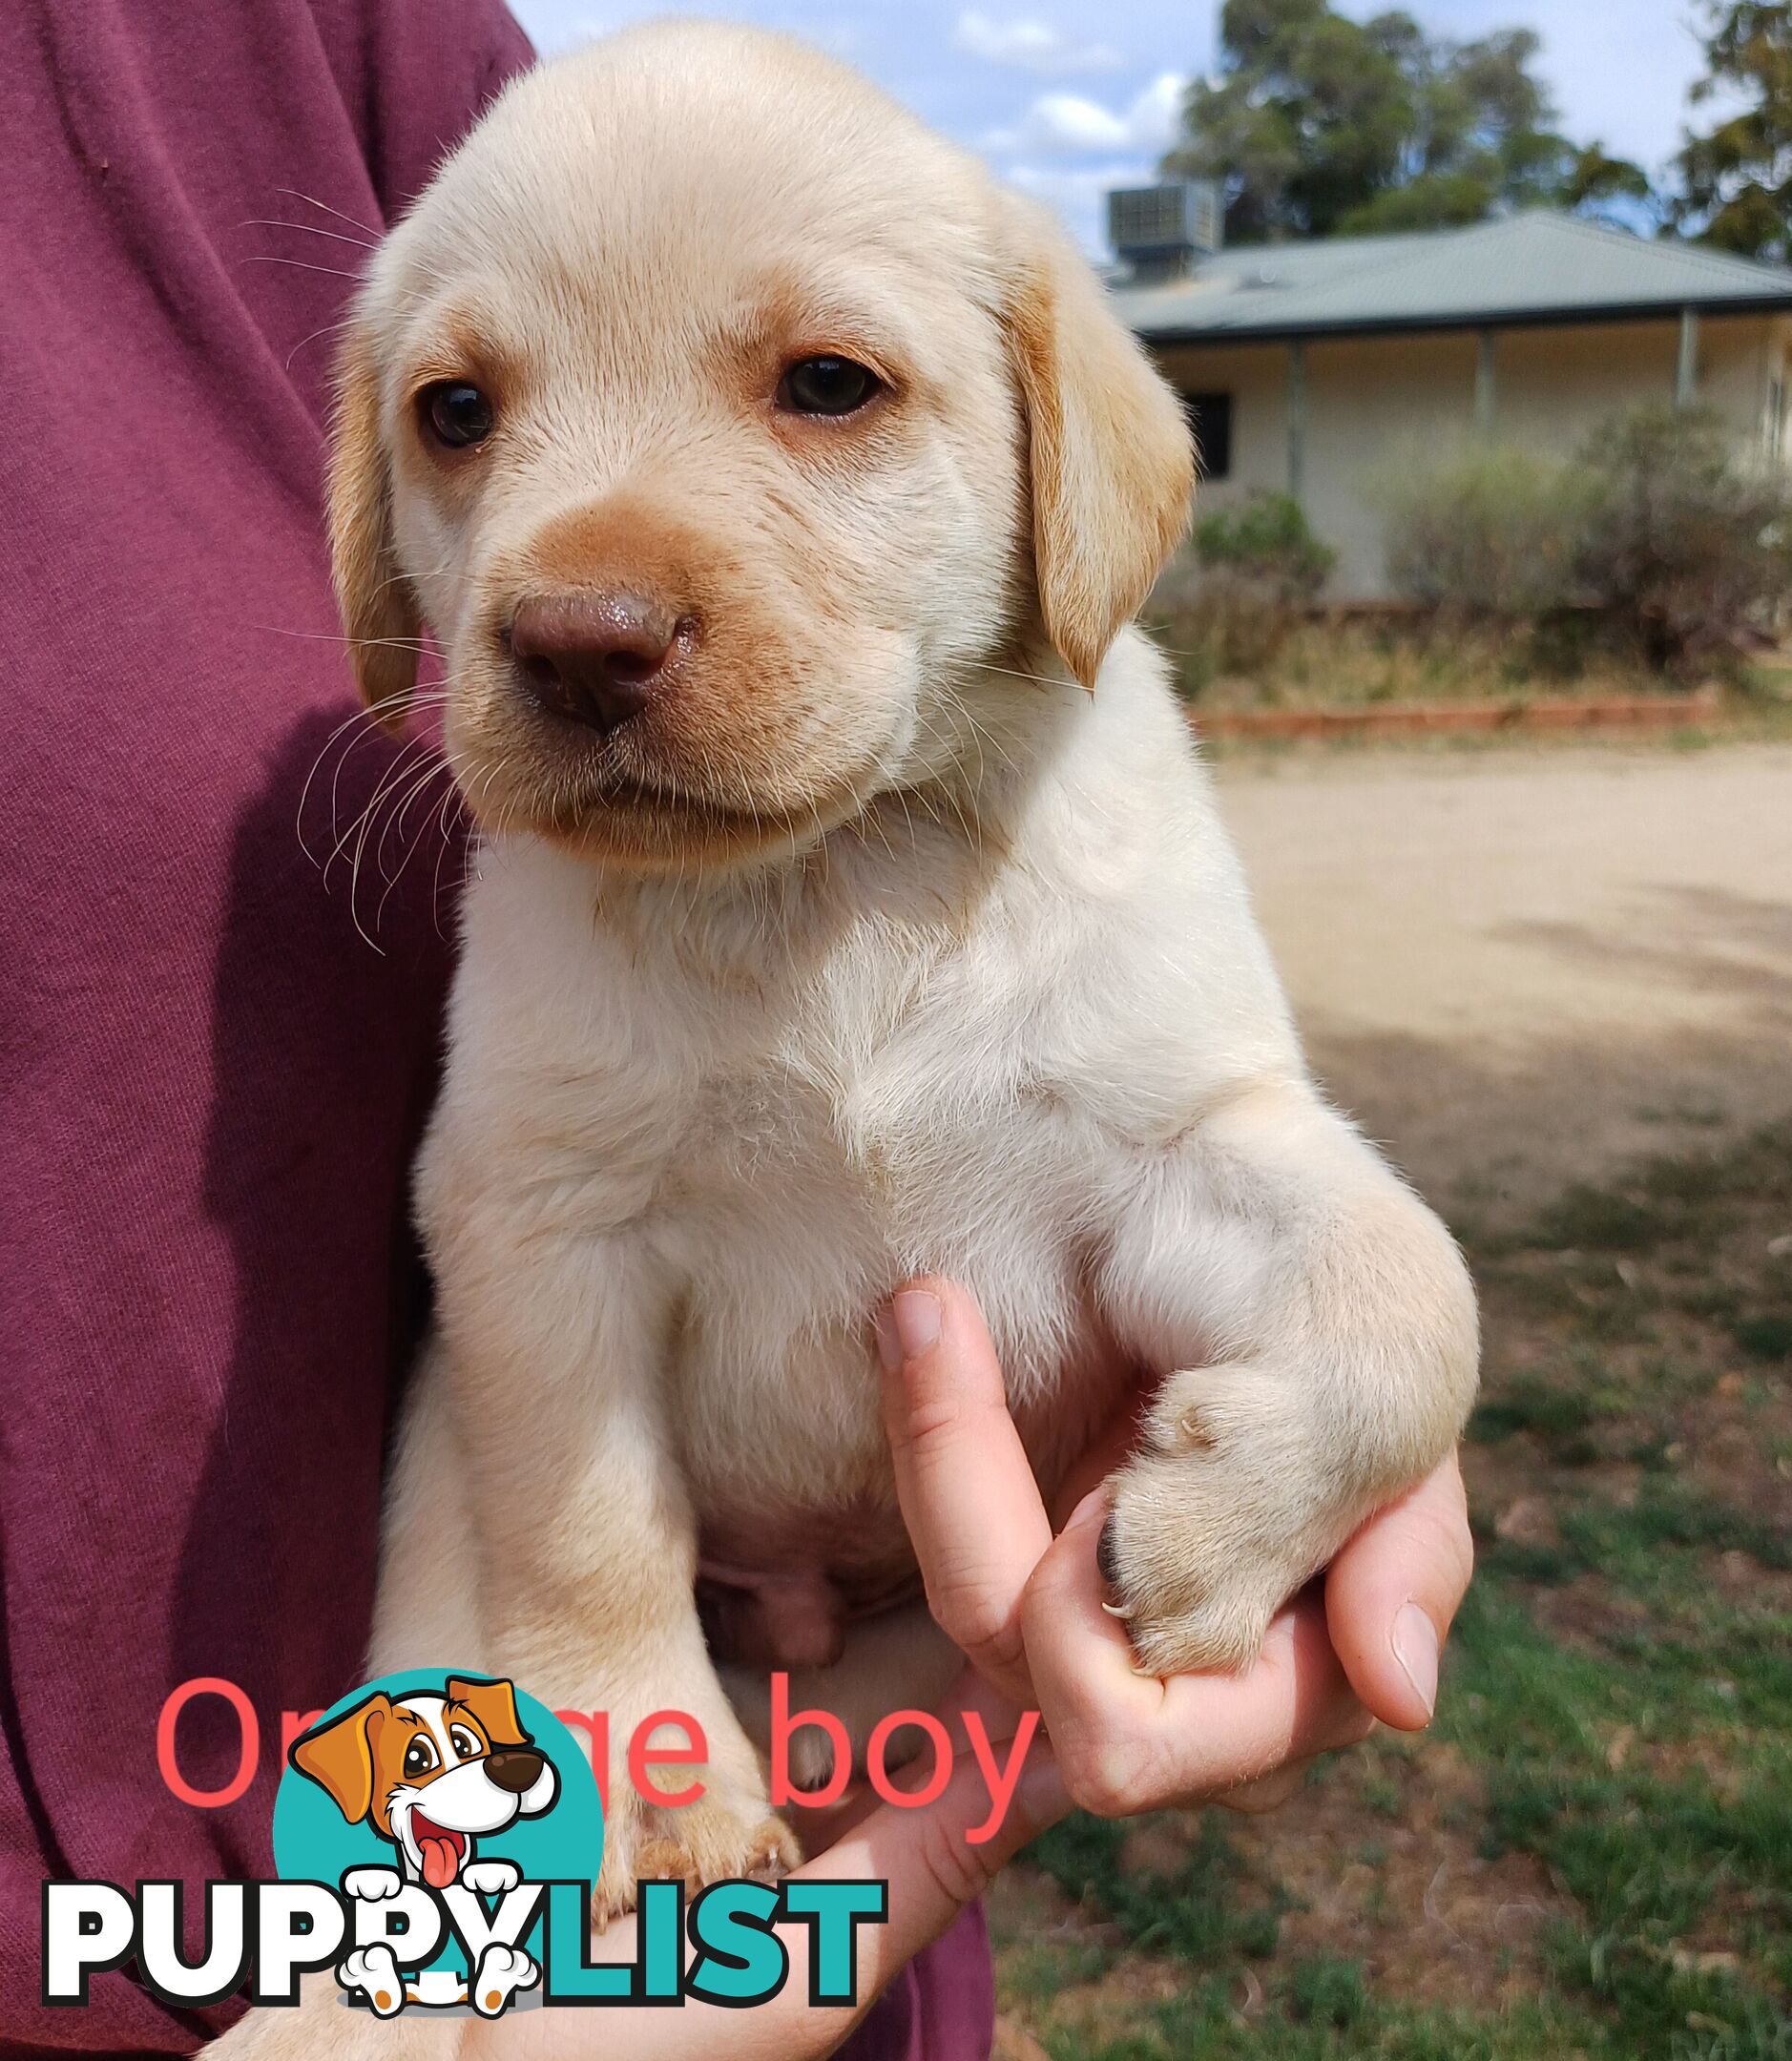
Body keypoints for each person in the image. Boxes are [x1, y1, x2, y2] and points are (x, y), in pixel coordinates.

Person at [0, 0, 1472, 2053]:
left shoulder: (1107, 817)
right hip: (585, 1641)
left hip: (888, 1735)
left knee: (1392, 1303)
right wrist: (602, 1666)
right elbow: (531, 1223)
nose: (578, 598)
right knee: (492, 1443)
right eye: (460, 416)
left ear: (1069, 462)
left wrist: (1364, 1380)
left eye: (827, 384)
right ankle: (391, 1975)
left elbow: (1227, 1161)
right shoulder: (541, 890)